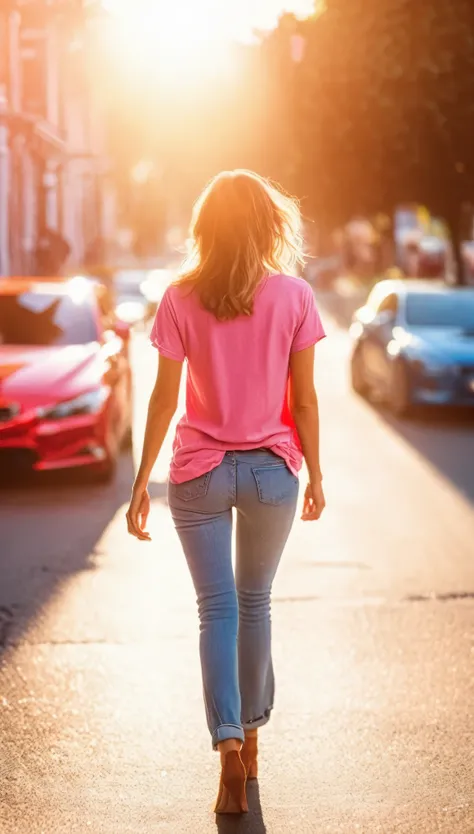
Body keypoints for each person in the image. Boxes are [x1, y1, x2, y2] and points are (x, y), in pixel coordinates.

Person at [126, 170, 326, 815]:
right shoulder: (295, 295)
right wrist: (316, 474)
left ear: (204, 228)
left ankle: (229, 747)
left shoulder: (180, 297)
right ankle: (255, 739)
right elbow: (304, 399)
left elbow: (162, 398)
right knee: (255, 602)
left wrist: (139, 482)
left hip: (199, 472)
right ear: (270, 225)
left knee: (217, 610)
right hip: (271, 470)